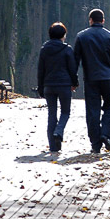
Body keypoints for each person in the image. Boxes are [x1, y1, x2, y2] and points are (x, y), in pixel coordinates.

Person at [73, 8, 110, 155]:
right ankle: (105, 134)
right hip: (108, 78)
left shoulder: (81, 37)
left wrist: (74, 80)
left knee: (92, 111)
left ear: (90, 20)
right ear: (103, 20)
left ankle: (95, 144)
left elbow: (75, 61)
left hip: (90, 79)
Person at [37, 22, 78, 153]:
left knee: (51, 114)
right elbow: (72, 69)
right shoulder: (67, 50)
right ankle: (59, 132)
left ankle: (53, 147)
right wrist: (74, 83)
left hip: (48, 85)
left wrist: (40, 87)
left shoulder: (44, 49)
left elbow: (40, 70)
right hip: (64, 85)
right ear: (63, 35)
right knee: (65, 112)